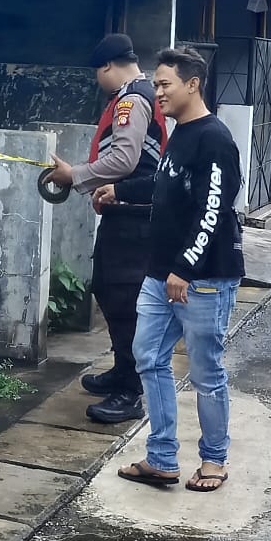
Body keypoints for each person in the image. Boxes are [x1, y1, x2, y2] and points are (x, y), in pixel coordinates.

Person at [102, 46, 244, 493]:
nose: (157, 92)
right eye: (156, 84)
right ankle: (161, 458)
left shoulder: (214, 139)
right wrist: (119, 190)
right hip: (160, 274)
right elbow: (165, 184)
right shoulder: (179, 132)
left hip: (202, 278)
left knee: (205, 372)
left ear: (192, 84)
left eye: (164, 84)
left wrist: (185, 267)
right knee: (148, 357)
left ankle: (214, 460)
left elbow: (213, 210)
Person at [41, 34, 166, 425]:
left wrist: (74, 175)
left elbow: (124, 159)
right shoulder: (144, 94)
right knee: (110, 292)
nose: (98, 81)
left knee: (123, 299)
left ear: (108, 66)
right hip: (130, 212)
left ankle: (130, 390)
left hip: (134, 218)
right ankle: (122, 370)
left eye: (98, 72)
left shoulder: (130, 100)